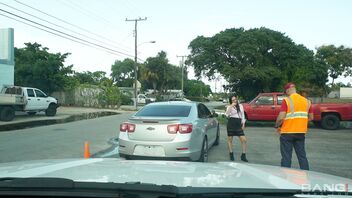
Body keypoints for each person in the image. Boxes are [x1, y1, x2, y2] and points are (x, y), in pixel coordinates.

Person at [275, 83, 313, 170]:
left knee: (286, 157)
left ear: (288, 90)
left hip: (287, 133)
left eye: (286, 92)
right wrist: (300, 122)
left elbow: (281, 118)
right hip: (300, 133)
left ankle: (285, 177)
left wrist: (276, 125)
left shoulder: (287, 100)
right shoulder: (307, 101)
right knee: (302, 156)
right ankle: (306, 176)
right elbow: (311, 117)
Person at [225, 95, 248, 162]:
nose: (235, 101)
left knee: (244, 140)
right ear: (231, 101)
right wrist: (231, 106)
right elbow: (227, 114)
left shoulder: (240, 106)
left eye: (235, 99)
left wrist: (243, 124)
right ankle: (231, 154)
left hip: (238, 124)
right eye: (233, 100)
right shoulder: (229, 106)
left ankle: (243, 155)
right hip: (231, 123)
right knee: (230, 140)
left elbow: (242, 115)